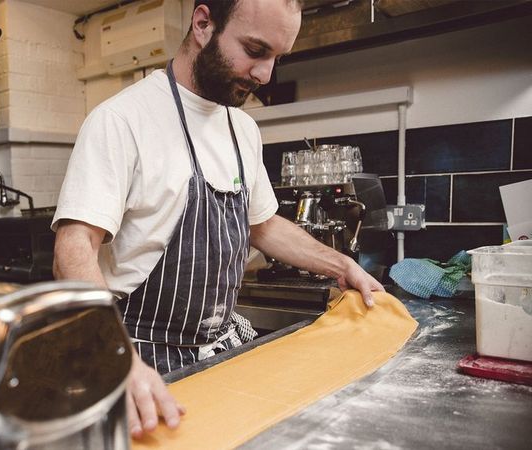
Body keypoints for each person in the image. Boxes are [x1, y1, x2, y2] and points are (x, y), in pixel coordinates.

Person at [51, 0, 384, 439]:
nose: (265, 75)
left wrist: (343, 266)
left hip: (219, 351)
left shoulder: (243, 129)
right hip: (138, 362)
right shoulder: (122, 120)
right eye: (255, 50)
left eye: (277, 58)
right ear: (203, 23)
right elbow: (73, 249)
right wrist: (115, 357)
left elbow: (263, 225)